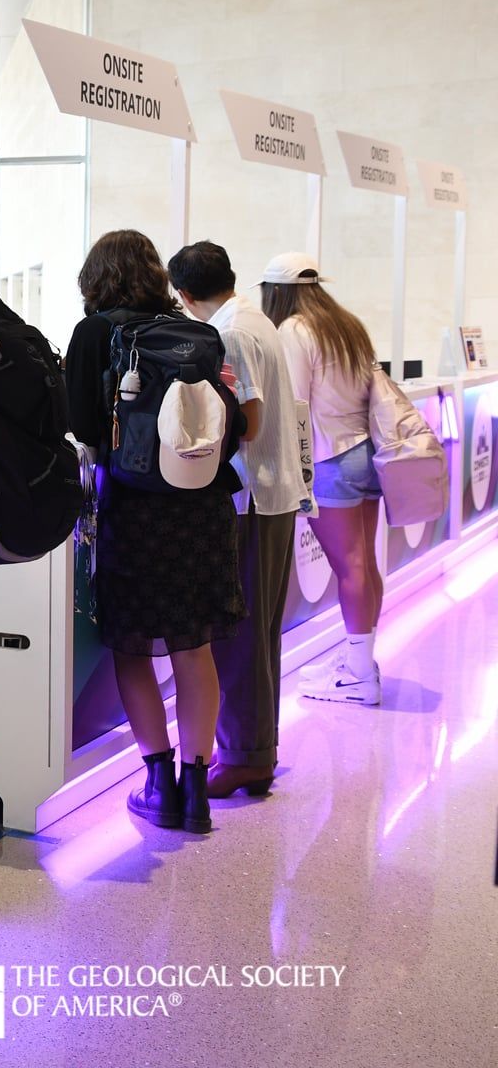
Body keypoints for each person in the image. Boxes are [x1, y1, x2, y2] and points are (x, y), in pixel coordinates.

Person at [64, 230, 245, 835]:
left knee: (133, 648)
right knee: (195, 649)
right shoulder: (198, 334)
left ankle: (157, 782)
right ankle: (196, 791)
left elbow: (80, 422)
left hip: (134, 511)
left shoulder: (95, 332)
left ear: (96, 277)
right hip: (201, 510)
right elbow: (235, 423)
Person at [169, 241, 300, 798]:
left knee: (241, 632)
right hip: (272, 495)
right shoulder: (255, 319)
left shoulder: (230, 333)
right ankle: (255, 747)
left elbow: (246, 420)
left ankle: (245, 755)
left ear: (185, 294)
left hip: (251, 497)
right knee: (259, 630)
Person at [260, 252, 384, 705]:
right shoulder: (346, 324)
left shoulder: (293, 331)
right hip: (366, 453)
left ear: (274, 291)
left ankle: (357, 675)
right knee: (364, 563)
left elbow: (293, 406)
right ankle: (360, 662)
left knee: (350, 567)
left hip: (330, 459)